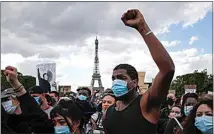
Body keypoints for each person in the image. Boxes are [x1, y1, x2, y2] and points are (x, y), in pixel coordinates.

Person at [103, 9, 175, 134]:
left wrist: (142, 27)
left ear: (135, 82)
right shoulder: (109, 111)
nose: (116, 82)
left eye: (121, 78)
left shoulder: (146, 104)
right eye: (113, 79)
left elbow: (167, 69)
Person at [2, 65, 54, 133]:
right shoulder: (10, 121)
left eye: (35, 96)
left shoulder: (53, 112)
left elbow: (41, 122)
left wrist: (15, 83)